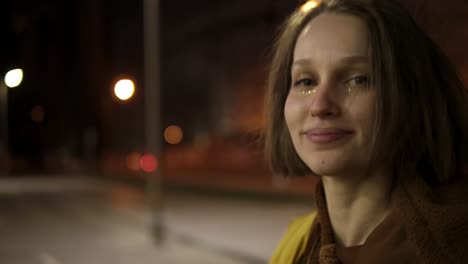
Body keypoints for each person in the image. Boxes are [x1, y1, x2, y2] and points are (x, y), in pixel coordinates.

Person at [263, 0, 468, 263]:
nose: (320, 105)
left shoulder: (448, 248)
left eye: (358, 79)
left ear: (411, 97)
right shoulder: (295, 246)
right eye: (306, 81)